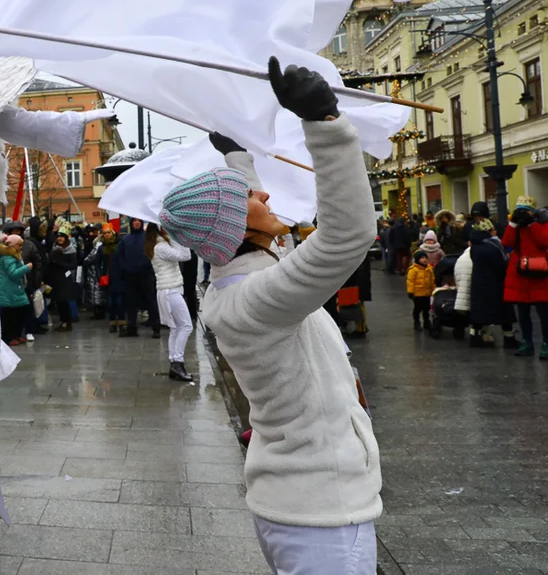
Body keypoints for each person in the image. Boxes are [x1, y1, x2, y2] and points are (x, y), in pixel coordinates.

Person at [159, 57, 380, 574]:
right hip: (324, 515)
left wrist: (237, 154)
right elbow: (348, 235)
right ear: (238, 225)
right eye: (248, 197)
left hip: (303, 501)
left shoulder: (239, 277)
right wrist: (325, 124)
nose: (262, 192)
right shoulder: (258, 299)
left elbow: (238, 214)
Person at [144, 223, 195, 382]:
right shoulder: (161, 247)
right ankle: (177, 363)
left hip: (168, 289)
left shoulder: (158, 244)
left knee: (175, 328)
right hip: (170, 290)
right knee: (186, 326)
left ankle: (175, 363)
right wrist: (180, 237)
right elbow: (185, 256)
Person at [457, 220, 516, 348]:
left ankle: (475, 336)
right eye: (493, 229)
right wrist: (509, 261)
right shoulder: (491, 246)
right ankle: (509, 338)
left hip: (480, 284)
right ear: (487, 231)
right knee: (504, 313)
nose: (495, 231)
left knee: (480, 313)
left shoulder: (476, 246)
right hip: (494, 284)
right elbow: (500, 264)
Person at [501, 195, 548, 359]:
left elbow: (544, 241)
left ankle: (546, 344)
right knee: (522, 311)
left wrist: (533, 224)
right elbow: (507, 242)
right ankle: (527, 342)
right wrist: (513, 224)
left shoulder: (541, 225)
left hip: (539, 271)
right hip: (520, 272)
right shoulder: (516, 227)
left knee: (544, 312)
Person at [113, 218, 160, 338]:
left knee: (151, 302)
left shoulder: (148, 238)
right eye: (134, 221)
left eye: (139, 221)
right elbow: (119, 257)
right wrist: (125, 268)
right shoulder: (125, 240)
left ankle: (156, 327)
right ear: (131, 223)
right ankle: (132, 328)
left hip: (146, 275)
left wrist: (146, 266)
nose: (136, 223)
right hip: (130, 276)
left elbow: (154, 255)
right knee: (131, 303)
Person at [88, 224, 125, 332]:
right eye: (105, 233)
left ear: (112, 233)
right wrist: (100, 276)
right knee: (111, 302)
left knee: (119, 301)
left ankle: (122, 322)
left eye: (108, 233)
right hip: (108, 278)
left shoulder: (119, 245)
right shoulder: (101, 248)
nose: (107, 235)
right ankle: (113, 322)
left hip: (120, 276)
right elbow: (97, 263)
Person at [0, 235, 32, 346]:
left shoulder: (13, 256)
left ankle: (16, 335)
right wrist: (27, 268)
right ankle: (8, 337)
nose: (21, 247)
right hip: (9, 292)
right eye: (19, 245)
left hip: (15, 290)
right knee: (10, 316)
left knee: (19, 313)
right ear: (12, 245)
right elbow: (13, 274)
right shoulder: (8, 258)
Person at [49, 231, 81, 332]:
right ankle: (63, 321)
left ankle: (67, 322)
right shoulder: (54, 248)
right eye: (58, 237)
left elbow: (72, 265)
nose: (60, 239)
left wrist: (59, 263)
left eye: (62, 237)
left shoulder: (70, 250)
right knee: (59, 301)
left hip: (65, 279)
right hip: (55, 278)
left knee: (64, 300)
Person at [407, 250, 434, 332]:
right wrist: (410, 291)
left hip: (427, 293)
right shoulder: (413, 269)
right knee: (418, 308)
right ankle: (416, 322)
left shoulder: (429, 269)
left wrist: (433, 290)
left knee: (426, 308)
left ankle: (426, 322)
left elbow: (432, 280)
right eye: (422, 258)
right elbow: (410, 281)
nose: (424, 259)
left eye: (425, 258)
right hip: (417, 293)